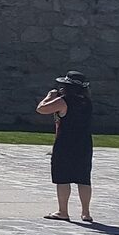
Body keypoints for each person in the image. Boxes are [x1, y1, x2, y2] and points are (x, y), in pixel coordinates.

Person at [37, 70, 94, 222]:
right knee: (83, 178)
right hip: (84, 143)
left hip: (65, 143)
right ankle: (86, 212)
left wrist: (49, 97)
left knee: (62, 177)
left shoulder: (63, 101)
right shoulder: (87, 101)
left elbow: (41, 109)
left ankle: (63, 211)